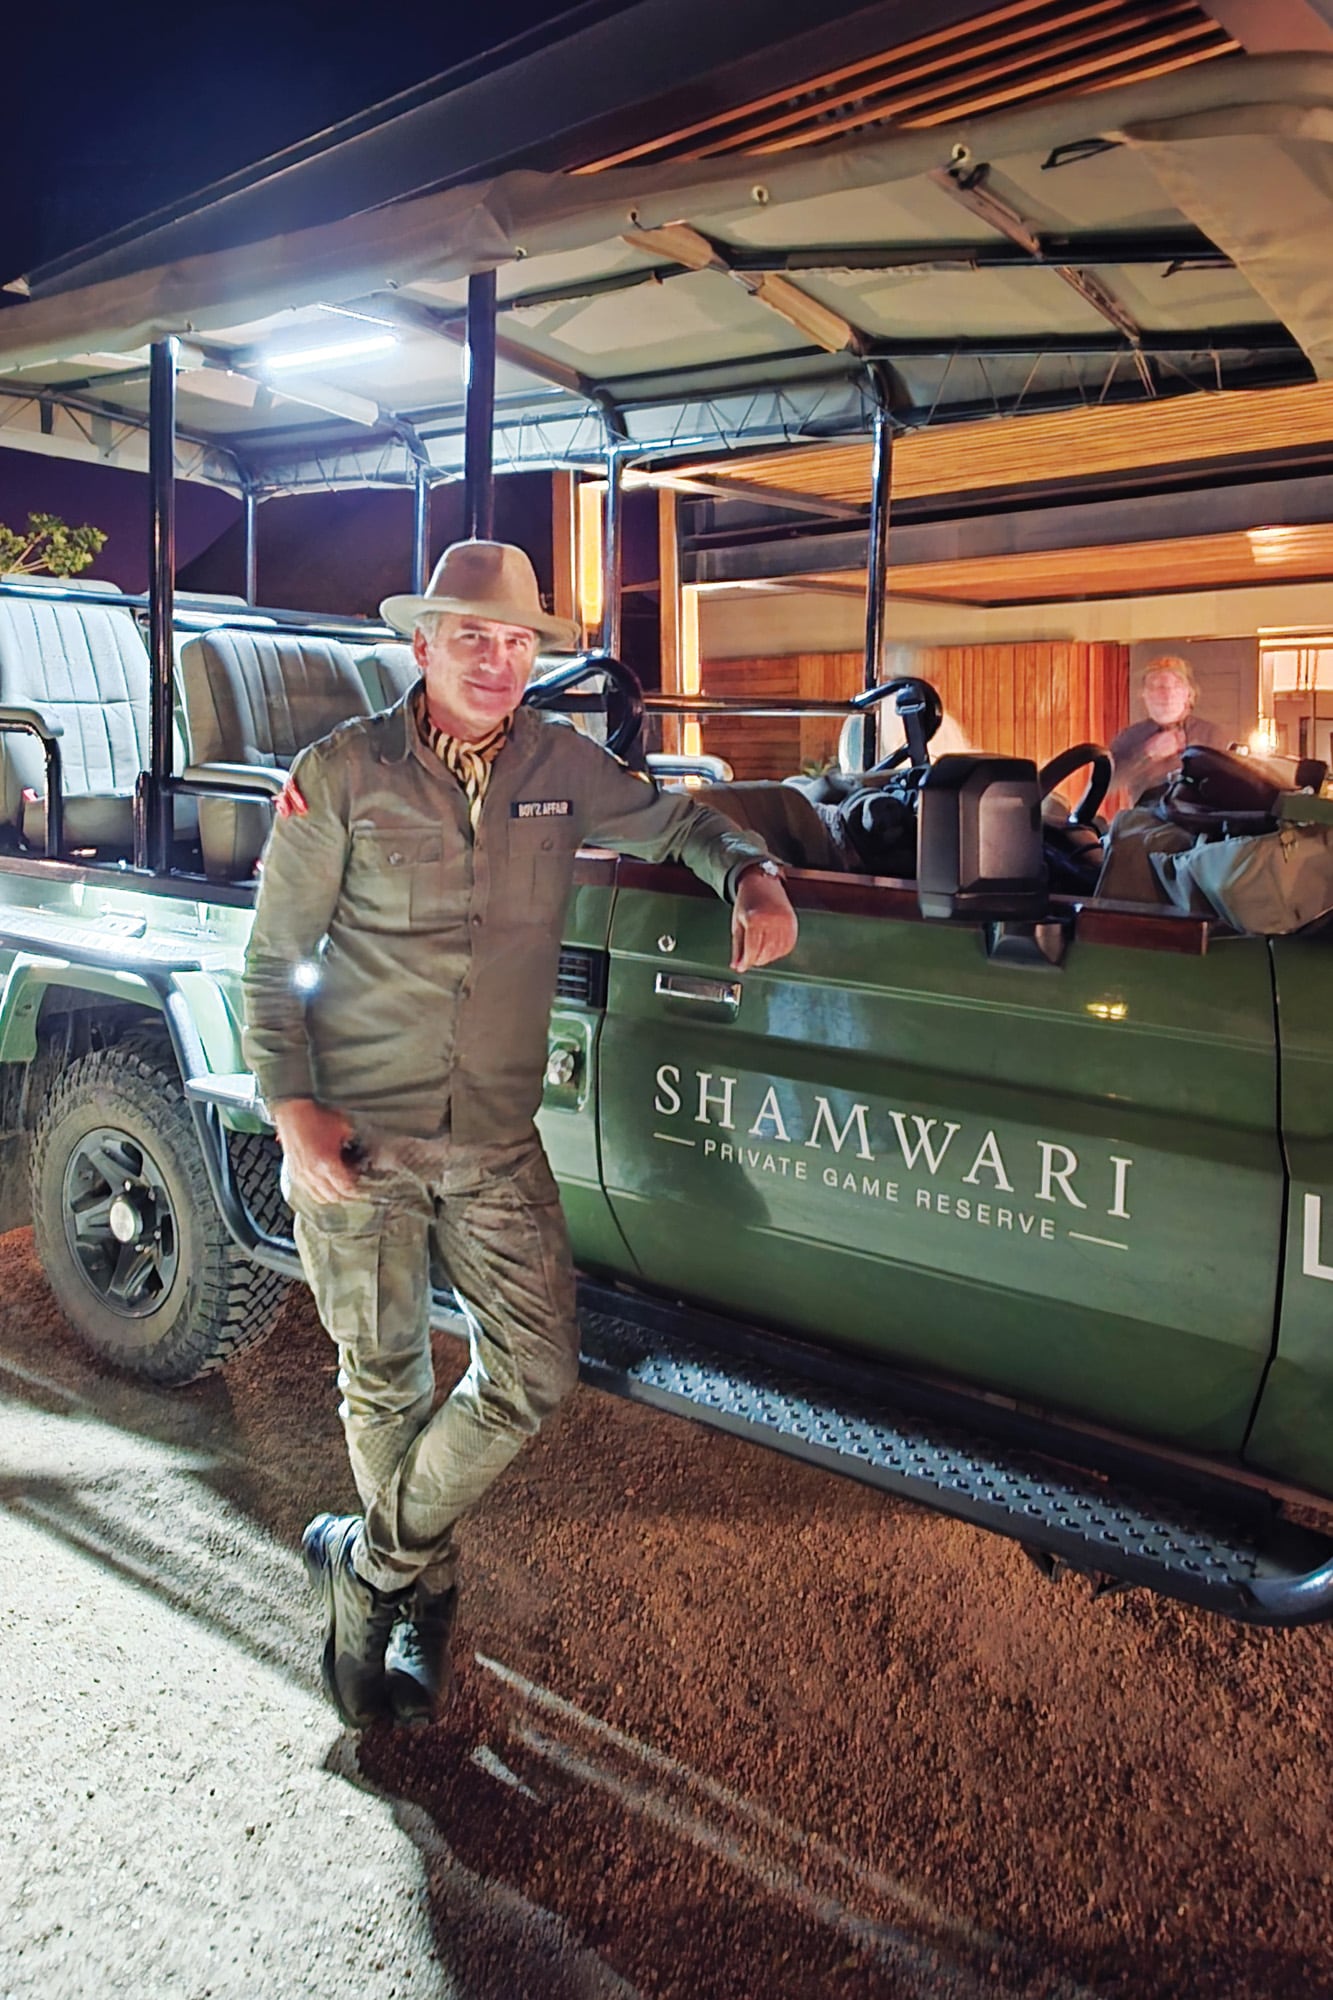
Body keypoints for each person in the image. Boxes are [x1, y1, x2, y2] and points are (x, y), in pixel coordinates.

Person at [241, 540, 798, 1731]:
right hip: (362, 1132)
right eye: (474, 637)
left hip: (495, 1132)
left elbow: (682, 823)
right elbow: (274, 959)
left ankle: (370, 1567)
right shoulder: (338, 773)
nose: (498, 661)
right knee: (381, 1376)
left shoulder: (562, 764)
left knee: (534, 1372)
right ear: (422, 644)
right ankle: (425, 1592)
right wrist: (291, 1108)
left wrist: (751, 876)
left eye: (518, 641)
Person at [1110, 655, 1227, 806]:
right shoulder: (1130, 736)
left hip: (1198, 822)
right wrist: (1147, 754)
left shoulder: (1211, 734)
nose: (1167, 693)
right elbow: (1106, 784)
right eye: (1158, 686)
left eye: (1176, 685)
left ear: (1189, 694)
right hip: (1147, 823)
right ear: (1144, 694)